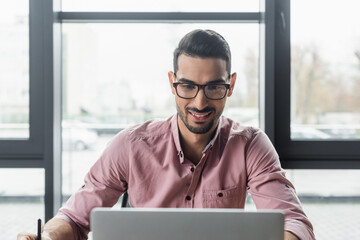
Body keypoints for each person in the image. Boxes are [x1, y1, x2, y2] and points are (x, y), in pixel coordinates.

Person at [18, 29, 315, 240]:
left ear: (231, 84)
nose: (200, 102)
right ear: (172, 83)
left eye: (214, 87)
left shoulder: (250, 145)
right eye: (188, 86)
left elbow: (295, 223)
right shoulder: (130, 146)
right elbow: (73, 218)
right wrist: (45, 236)